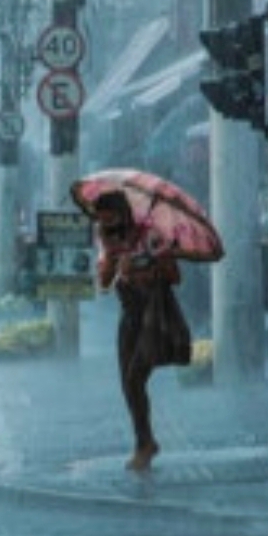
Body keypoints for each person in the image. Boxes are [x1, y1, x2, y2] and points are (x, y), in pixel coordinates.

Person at [93, 190, 190, 472]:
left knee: (136, 377)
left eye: (110, 218)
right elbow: (104, 282)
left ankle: (144, 444)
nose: (106, 225)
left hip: (153, 312)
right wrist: (111, 261)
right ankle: (144, 440)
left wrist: (143, 264)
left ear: (123, 213)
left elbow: (174, 276)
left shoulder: (150, 235)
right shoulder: (107, 238)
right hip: (129, 314)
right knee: (128, 383)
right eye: (101, 221)